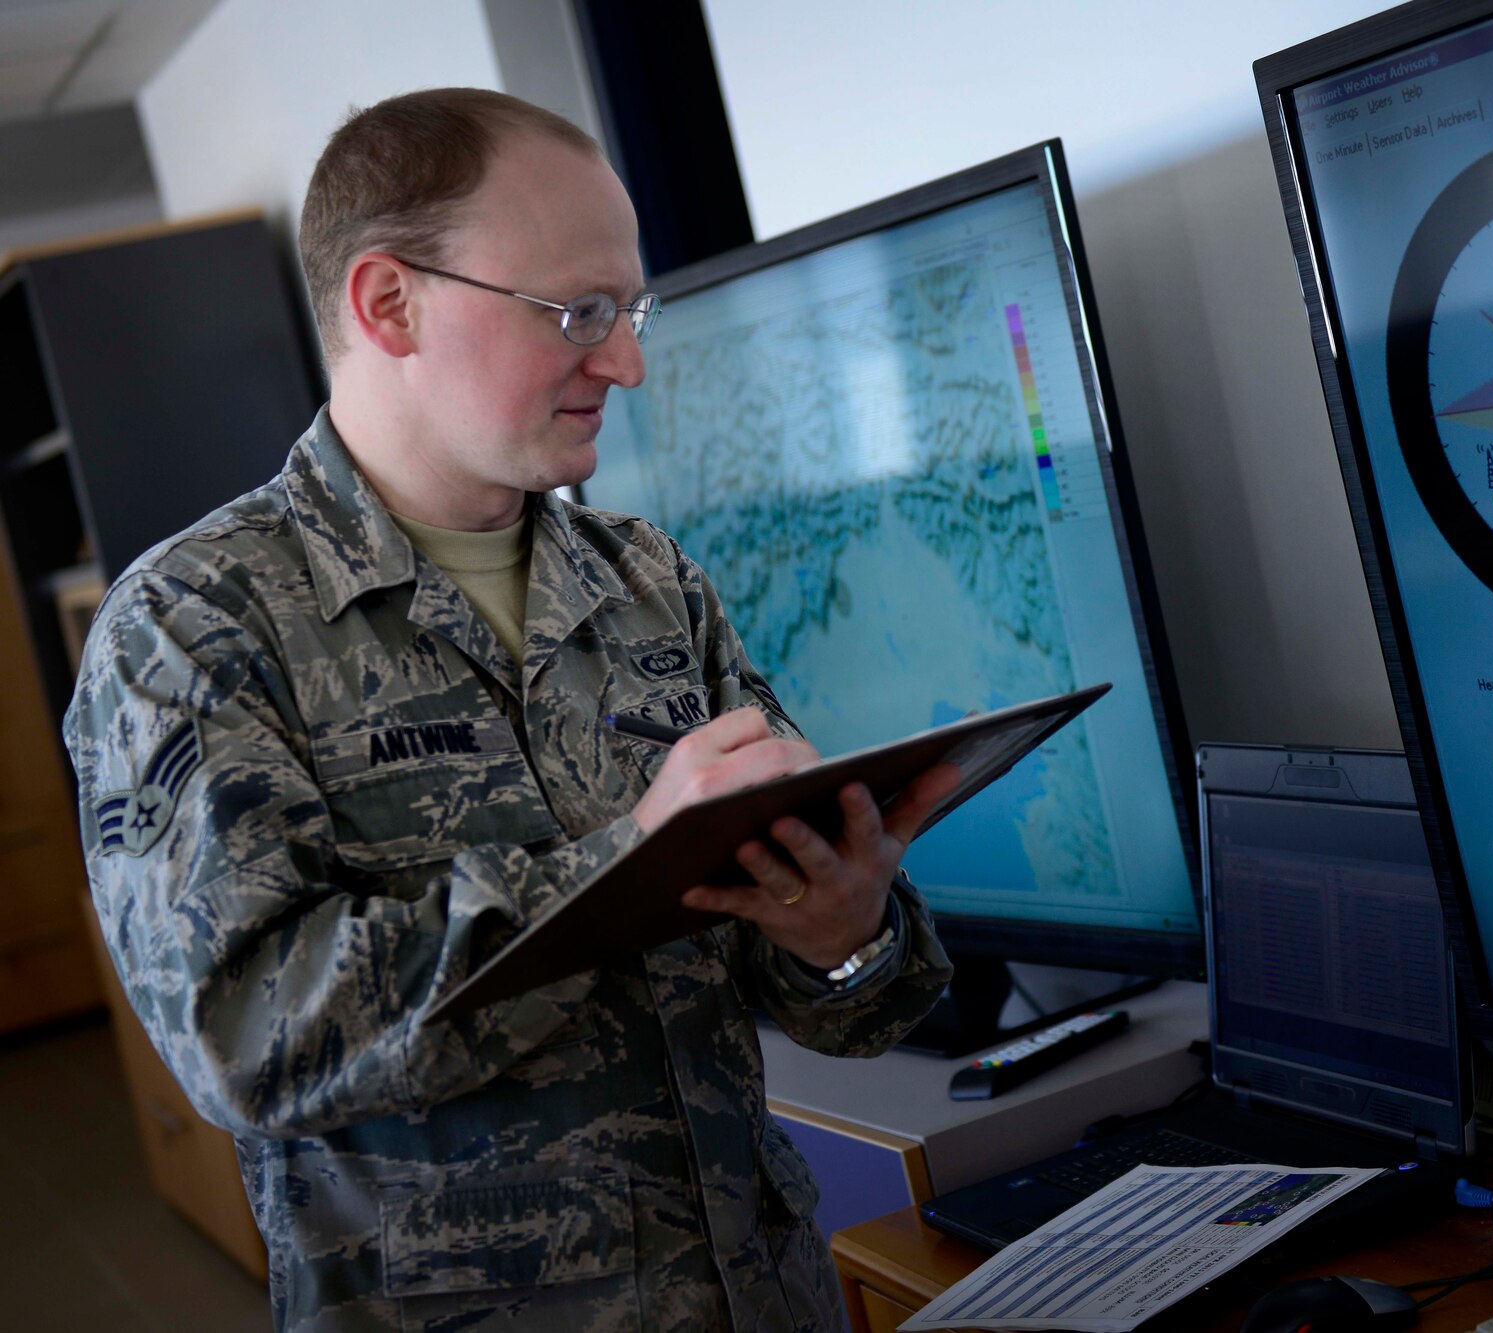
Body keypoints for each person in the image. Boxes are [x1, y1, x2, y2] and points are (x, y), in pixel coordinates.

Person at [64, 87, 960, 1332]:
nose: (627, 361)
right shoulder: (193, 624)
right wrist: (624, 861)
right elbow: (244, 1036)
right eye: (577, 312)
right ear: (389, 302)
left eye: (630, 310)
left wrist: (844, 931)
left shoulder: (647, 580)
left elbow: (844, 996)